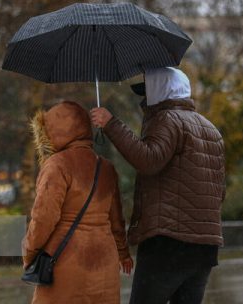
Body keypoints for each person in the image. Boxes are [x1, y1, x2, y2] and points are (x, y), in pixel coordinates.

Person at [91, 67, 226, 304]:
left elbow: (148, 160)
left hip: (168, 244)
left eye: (147, 92)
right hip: (205, 247)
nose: (144, 100)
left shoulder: (167, 119)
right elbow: (220, 192)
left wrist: (111, 124)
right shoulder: (211, 129)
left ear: (161, 92)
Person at [23, 101, 133, 304]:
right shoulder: (106, 168)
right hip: (104, 263)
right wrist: (123, 253)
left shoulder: (56, 165)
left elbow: (43, 218)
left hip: (66, 262)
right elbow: (116, 219)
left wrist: (29, 253)